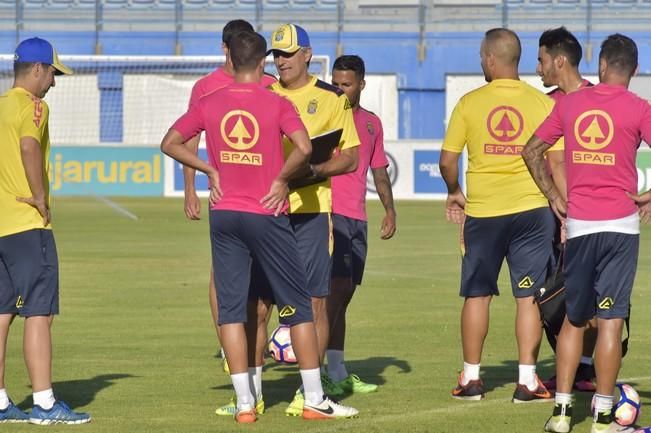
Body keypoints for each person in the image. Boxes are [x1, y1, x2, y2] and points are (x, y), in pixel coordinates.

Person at [161, 31, 358, 422]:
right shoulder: (276, 102)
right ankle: (315, 399)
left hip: (224, 214)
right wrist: (282, 179)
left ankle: (246, 404)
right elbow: (303, 148)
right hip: (267, 213)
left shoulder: (210, 101)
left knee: (234, 311)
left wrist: (209, 170)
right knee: (299, 308)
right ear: (263, 62)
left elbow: (170, 142)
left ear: (230, 60)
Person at [523, 33, 649, 433]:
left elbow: (531, 151)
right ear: (635, 69)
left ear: (600, 65)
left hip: (579, 226)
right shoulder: (639, 107)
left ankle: (561, 414)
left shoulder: (572, 103)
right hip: (621, 226)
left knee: (573, 322)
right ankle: (603, 416)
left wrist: (553, 197)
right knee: (610, 322)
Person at [439, 28, 562, 403]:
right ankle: (527, 381)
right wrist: (559, 201)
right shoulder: (542, 103)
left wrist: (454, 192)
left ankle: (472, 380)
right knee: (529, 297)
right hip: (532, 210)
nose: (481, 62)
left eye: (481, 56)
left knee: (477, 295)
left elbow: (447, 160)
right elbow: (554, 160)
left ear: (491, 59)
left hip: (485, 212)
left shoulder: (470, 102)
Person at [181, 19, 277, 416]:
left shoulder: (270, 85)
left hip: (267, 203)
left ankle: (249, 372)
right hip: (228, 201)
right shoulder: (205, 87)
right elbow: (189, 139)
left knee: (264, 296)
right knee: (224, 280)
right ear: (226, 48)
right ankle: (229, 342)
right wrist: (193, 186)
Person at [266, 23, 360, 415]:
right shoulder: (263, 93)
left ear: (307, 54)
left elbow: (351, 156)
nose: (281, 61)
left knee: (316, 302)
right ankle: (250, 393)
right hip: (266, 210)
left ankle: (310, 392)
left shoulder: (331, 98)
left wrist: (312, 171)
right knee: (258, 304)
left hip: (311, 212)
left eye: (288, 53)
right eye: (276, 54)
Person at [0, 37, 91, 425]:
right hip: (25, 225)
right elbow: (28, 147)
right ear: (37, 69)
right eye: (53, 73)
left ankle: (1, 402)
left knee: (1, 313)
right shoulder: (34, 107)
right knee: (40, 311)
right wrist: (40, 196)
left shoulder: (1, 105)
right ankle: (44, 403)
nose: (54, 82)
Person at [325, 54, 396, 393]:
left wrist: (390, 210)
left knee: (345, 295)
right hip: (329, 216)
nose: (339, 90)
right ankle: (316, 370)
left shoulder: (371, 123)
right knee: (333, 294)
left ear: (361, 85)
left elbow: (379, 170)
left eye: (346, 84)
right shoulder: (322, 116)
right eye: (335, 83)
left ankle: (336, 371)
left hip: (357, 219)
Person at [537, 26, 598, 393]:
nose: (538, 67)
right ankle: (581, 369)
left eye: (542, 60)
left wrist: (567, 213)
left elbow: (558, 163)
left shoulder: (578, 101)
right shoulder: (554, 101)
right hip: (578, 215)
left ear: (559, 60)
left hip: (576, 216)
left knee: (573, 298)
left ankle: (576, 372)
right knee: (576, 296)